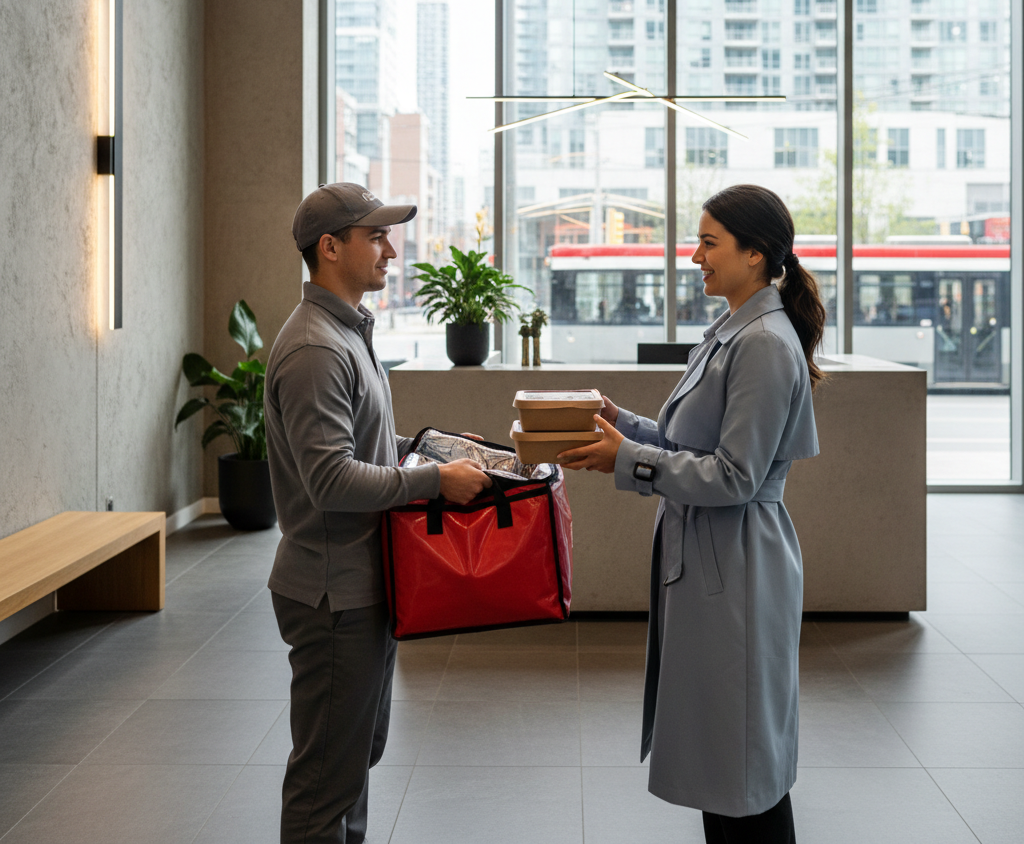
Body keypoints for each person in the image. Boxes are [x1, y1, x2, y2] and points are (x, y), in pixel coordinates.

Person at [558, 184, 825, 844]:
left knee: (741, 770)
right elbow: (698, 445)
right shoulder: (734, 331)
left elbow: (734, 475)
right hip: (717, 563)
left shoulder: (762, 342)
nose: (695, 255)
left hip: (737, 566)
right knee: (727, 763)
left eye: (709, 242)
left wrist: (627, 460)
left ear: (757, 256)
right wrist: (627, 426)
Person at [265, 182, 492, 844]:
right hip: (333, 594)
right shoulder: (315, 350)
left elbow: (361, 446)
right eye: (376, 236)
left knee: (354, 762)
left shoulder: (346, 333)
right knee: (324, 785)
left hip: (361, 582)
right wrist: (432, 481)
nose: (392, 249)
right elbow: (332, 478)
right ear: (330, 248)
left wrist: (434, 450)